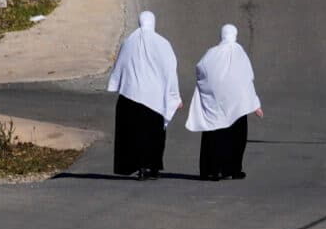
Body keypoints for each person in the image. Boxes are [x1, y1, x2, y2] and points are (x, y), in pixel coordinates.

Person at [106, 10, 181, 180]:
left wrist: (115, 84)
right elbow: (170, 70)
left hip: (131, 95)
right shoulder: (163, 43)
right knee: (153, 133)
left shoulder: (129, 42)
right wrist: (174, 95)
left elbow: (120, 65)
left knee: (133, 134)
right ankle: (151, 167)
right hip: (155, 98)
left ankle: (138, 166)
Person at [187, 23, 262, 180]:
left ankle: (212, 170)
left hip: (216, 102)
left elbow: (200, 69)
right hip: (237, 104)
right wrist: (255, 103)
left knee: (215, 134)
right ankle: (233, 169)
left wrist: (208, 89)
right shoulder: (239, 52)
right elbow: (247, 78)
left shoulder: (212, 53)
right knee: (237, 136)